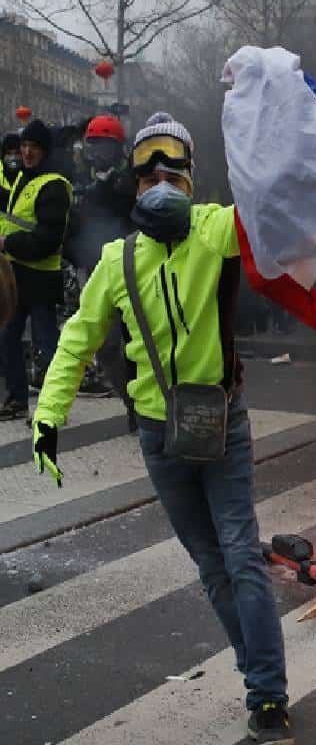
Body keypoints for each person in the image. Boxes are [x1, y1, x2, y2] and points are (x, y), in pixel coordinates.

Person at [30, 113, 293, 743]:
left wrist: (271, 113)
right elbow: (77, 338)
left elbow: (269, 206)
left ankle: (267, 696)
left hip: (222, 424)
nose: (161, 184)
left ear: (191, 179)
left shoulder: (216, 230)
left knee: (242, 557)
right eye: (149, 175)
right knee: (213, 566)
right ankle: (258, 672)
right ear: (135, 182)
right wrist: (48, 415)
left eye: (173, 173)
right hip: (160, 434)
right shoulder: (118, 260)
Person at [66, 114, 138, 410]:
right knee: (106, 349)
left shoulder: (129, 182)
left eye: (105, 147)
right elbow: (74, 227)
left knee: (135, 342)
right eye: (93, 146)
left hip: (128, 270)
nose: (98, 154)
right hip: (95, 272)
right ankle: (132, 402)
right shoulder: (80, 182)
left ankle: (145, 406)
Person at [0, 120, 71, 421]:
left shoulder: (53, 184)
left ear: (44, 151)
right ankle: (17, 399)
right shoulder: (24, 178)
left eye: (33, 147)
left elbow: (47, 239)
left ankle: (53, 404)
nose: (26, 153)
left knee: (46, 344)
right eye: (24, 146)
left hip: (40, 278)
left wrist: (8, 243)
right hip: (16, 275)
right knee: (7, 338)